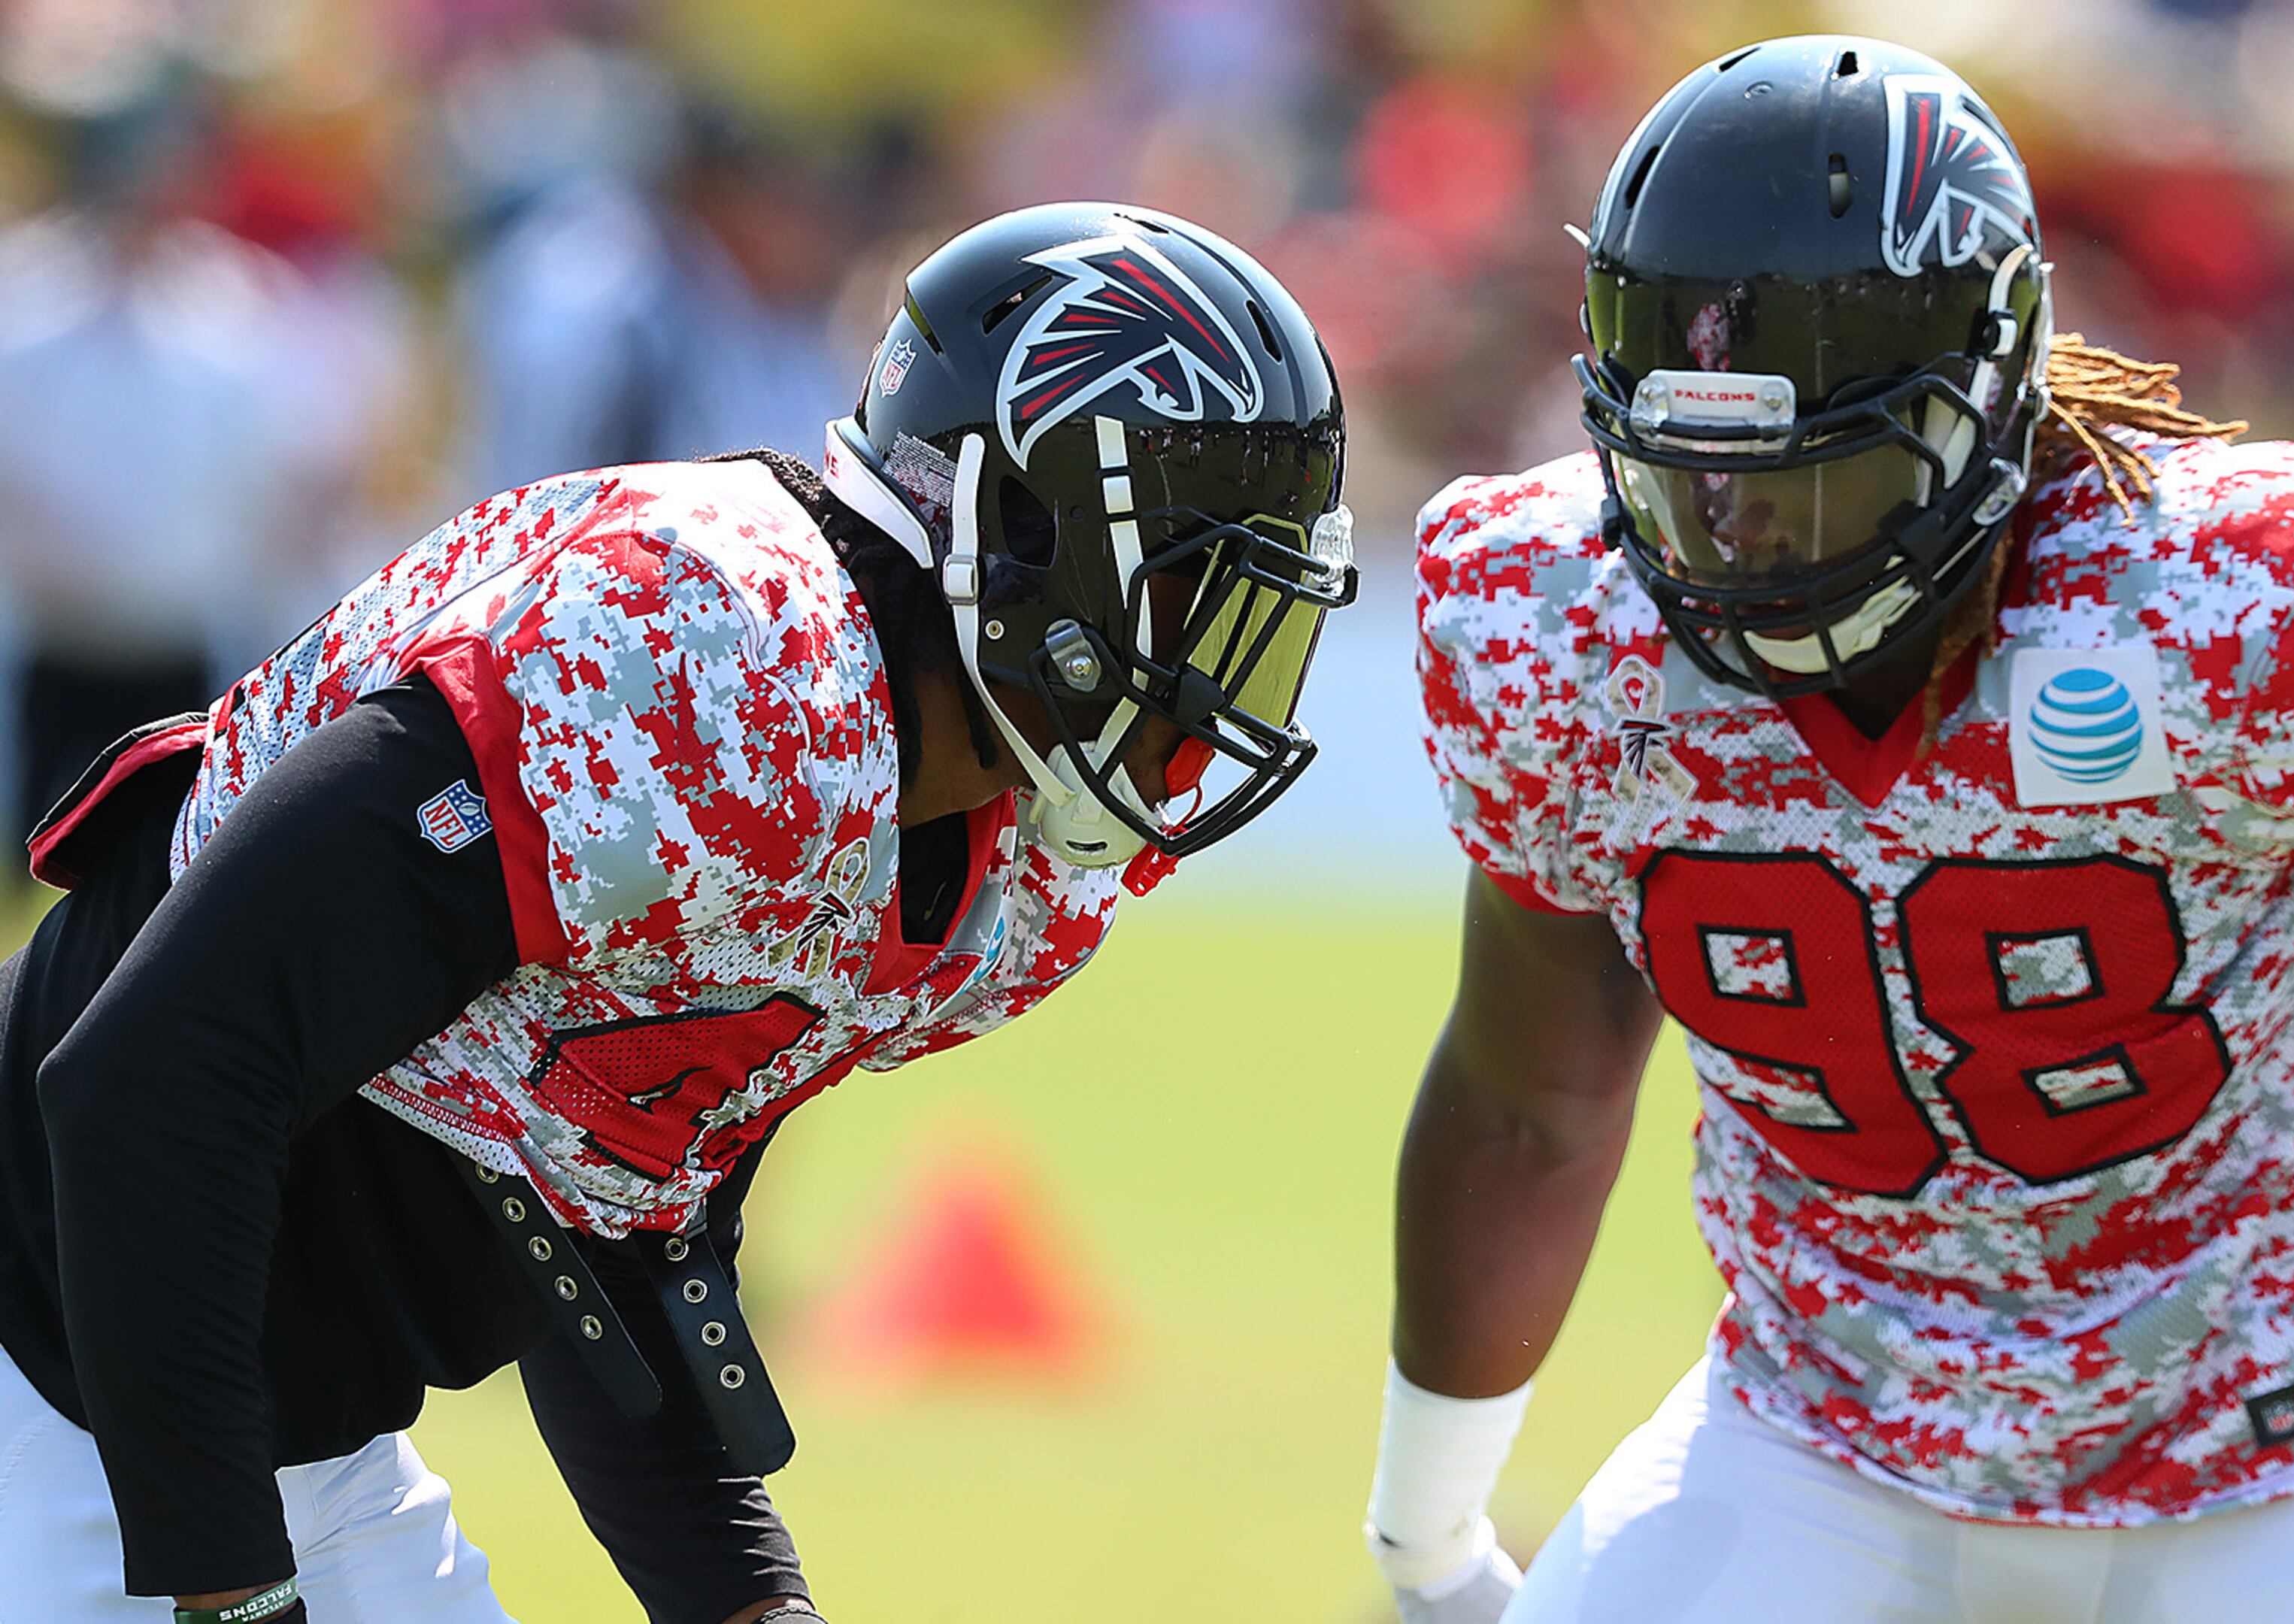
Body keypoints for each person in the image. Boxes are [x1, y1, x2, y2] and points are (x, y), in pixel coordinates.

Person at [1359, 37, 2294, 1624]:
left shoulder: (2221, 608)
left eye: (1816, 479)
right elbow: (1529, 1102)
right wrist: (1429, 1531)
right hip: (1821, 1447)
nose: (1737, 545)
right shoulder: (1560, 628)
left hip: (2293, 1463)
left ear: (1983, 407)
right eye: (1691, 483)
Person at [0, 200, 1354, 1624]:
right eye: (1198, 583)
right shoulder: (719, 650)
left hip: (272, 1435)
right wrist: (234, 1597)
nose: (1220, 667)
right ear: (1023, 526)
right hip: (55, 1376)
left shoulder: (1007, 864)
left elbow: (608, 1226)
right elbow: (149, 1072)